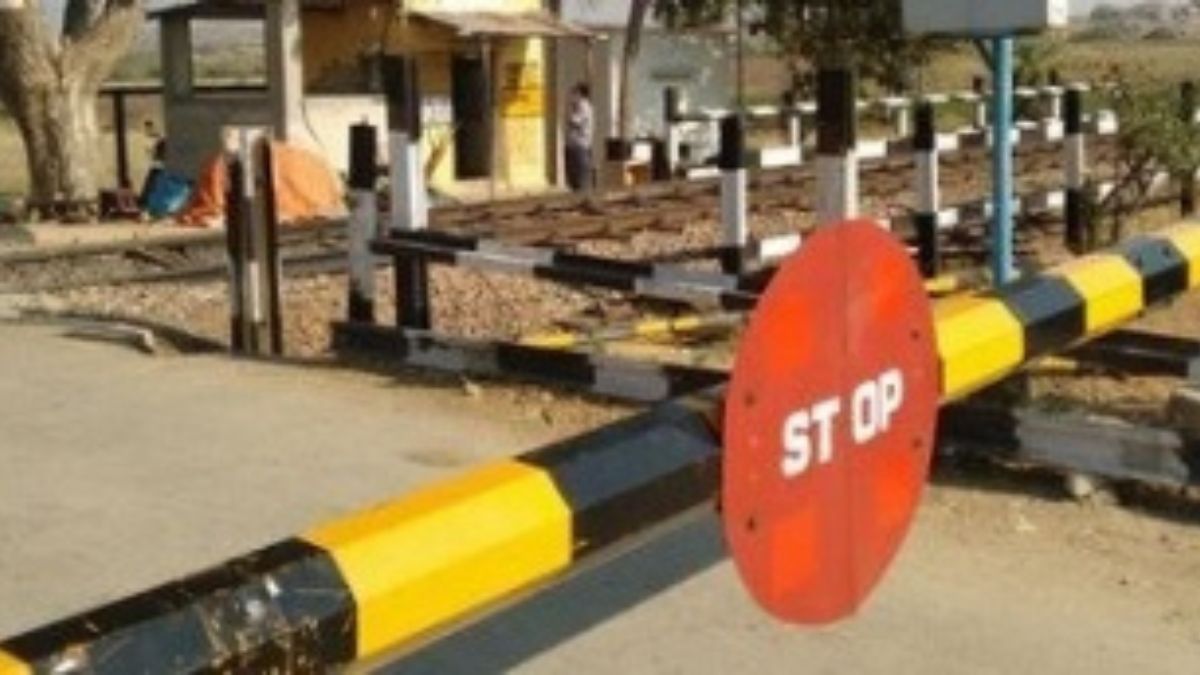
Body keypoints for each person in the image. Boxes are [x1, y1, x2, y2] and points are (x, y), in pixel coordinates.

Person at [565, 83, 594, 192]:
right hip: (575, 144)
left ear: (580, 94)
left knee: (579, 176)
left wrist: (569, 110)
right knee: (574, 176)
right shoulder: (579, 107)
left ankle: (581, 196)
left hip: (580, 145)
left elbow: (574, 121)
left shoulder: (583, 106)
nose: (572, 96)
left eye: (574, 93)